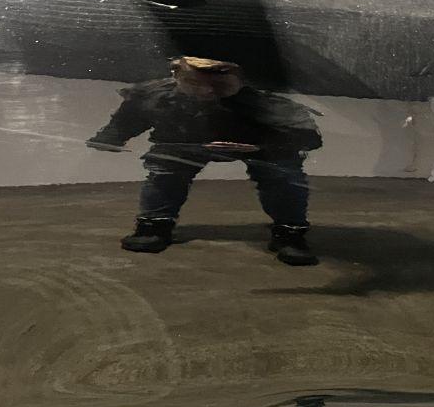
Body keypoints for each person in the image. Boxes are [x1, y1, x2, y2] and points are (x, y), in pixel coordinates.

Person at [87, 57, 323, 265]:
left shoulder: (268, 103)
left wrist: (266, 147)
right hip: (183, 144)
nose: (206, 91)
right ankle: (154, 225)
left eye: (219, 85)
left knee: (283, 175)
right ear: (177, 75)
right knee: (165, 171)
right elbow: (128, 119)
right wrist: (111, 138)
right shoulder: (154, 95)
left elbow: (307, 137)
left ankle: (290, 232)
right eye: (194, 83)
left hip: (257, 145)